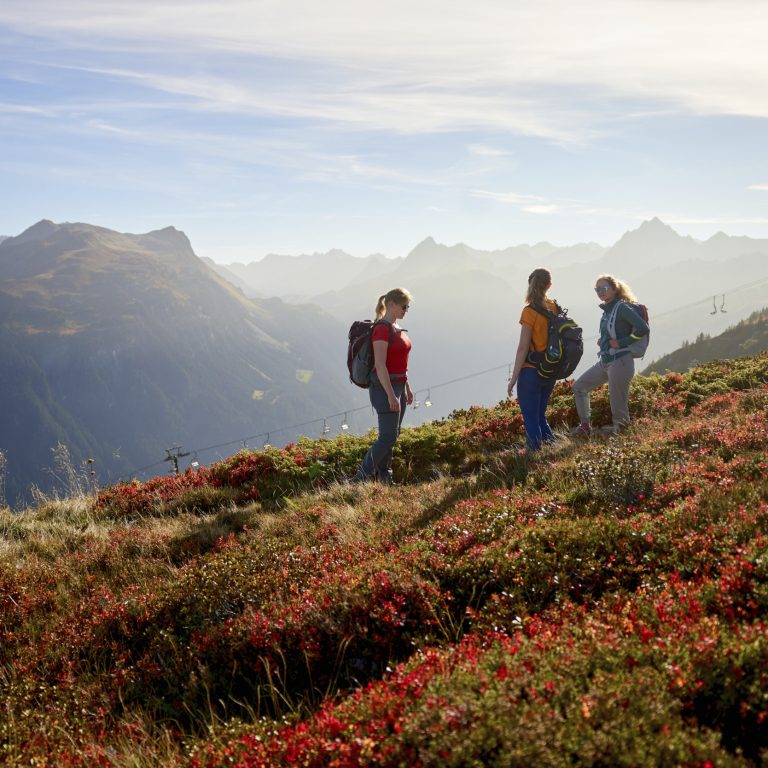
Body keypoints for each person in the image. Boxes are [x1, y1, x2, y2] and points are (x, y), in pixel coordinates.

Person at [570, 274, 650, 436]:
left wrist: (622, 342)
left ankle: (621, 431)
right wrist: (604, 341)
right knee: (579, 387)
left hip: (621, 361)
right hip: (606, 360)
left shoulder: (621, 307)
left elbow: (643, 328)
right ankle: (585, 427)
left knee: (617, 400)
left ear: (614, 289)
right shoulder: (607, 310)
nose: (600, 292)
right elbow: (614, 332)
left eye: (604, 288)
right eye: (597, 289)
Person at [353, 288, 414, 483]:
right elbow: (380, 365)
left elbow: (399, 362)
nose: (406, 310)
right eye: (404, 306)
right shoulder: (381, 329)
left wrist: (407, 388)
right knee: (387, 437)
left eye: (408, 307)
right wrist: (390, 395)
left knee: (392, 435)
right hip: (384, 389)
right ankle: (360, 478)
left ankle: (385, 478)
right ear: (392, 305)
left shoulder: (396, 328)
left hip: (398, 387)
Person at [507, 268, 560, 451]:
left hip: (531, 371)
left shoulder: (529, 312)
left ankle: (533, 456)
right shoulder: (553, 307)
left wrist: (513, 378)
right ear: (549, 285)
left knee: (531, 418)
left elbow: (523, 348)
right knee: (539, 415)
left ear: (530, 284)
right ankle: (551, 449)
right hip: (550, 370)